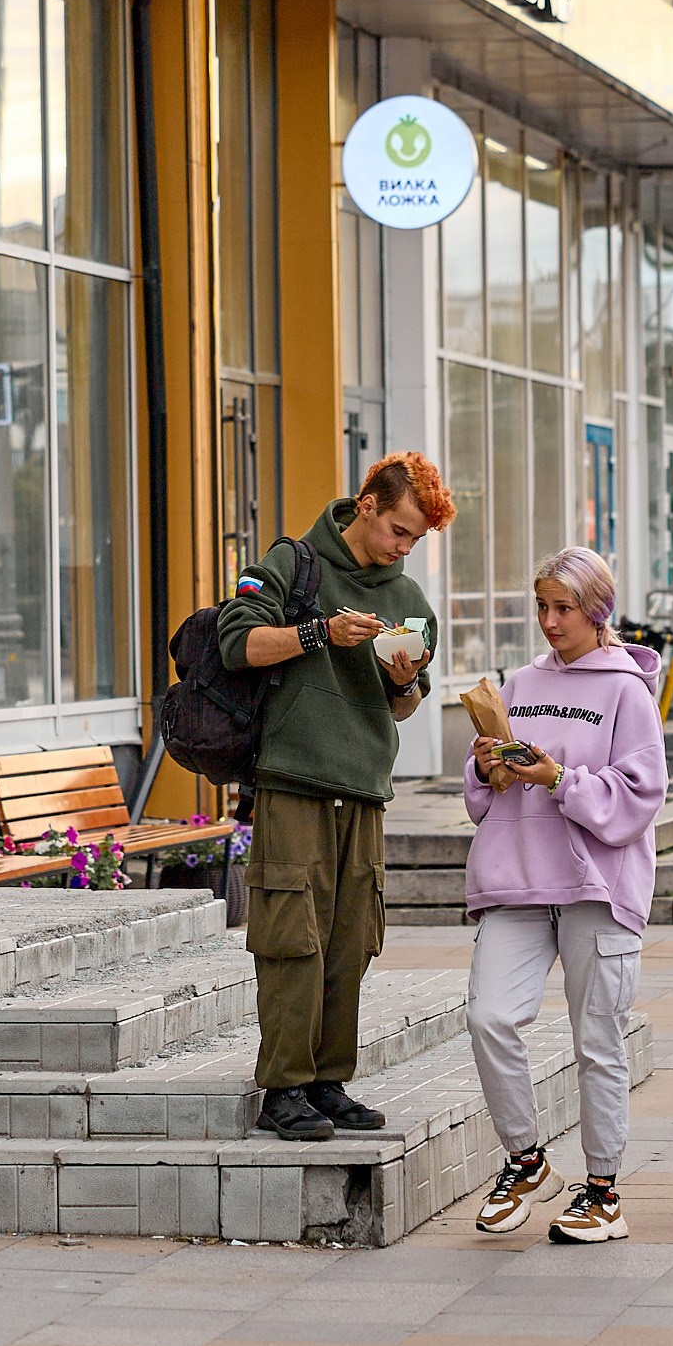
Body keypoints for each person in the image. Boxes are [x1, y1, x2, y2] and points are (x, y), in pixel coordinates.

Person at [217, 453, 451, 1140]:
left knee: (351, 941)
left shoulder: (408, 600)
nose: (404, 548)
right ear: (368, 504)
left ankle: (327, 1082)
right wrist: (320, 631)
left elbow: (404, 707)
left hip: (365, 791)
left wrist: (405, 680)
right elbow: (237, 643)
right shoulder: (293, 563)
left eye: (416, 540)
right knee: (292, 937)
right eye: (399, 531)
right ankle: (282, 1089)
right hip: (294, 781)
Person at [463, 548, 666, 1243]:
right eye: (542, 607)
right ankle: (526, 1159)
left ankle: (603, 1191)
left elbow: (641, 795)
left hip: (597, 887)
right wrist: (489, 769)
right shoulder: (518, 682)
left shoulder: (626, 691)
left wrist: (557, 780)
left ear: (597, 612)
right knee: (489, 1016)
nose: (549, 621)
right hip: (516, 876)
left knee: (598, 1040)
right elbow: (480, 795)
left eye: (563, 608)